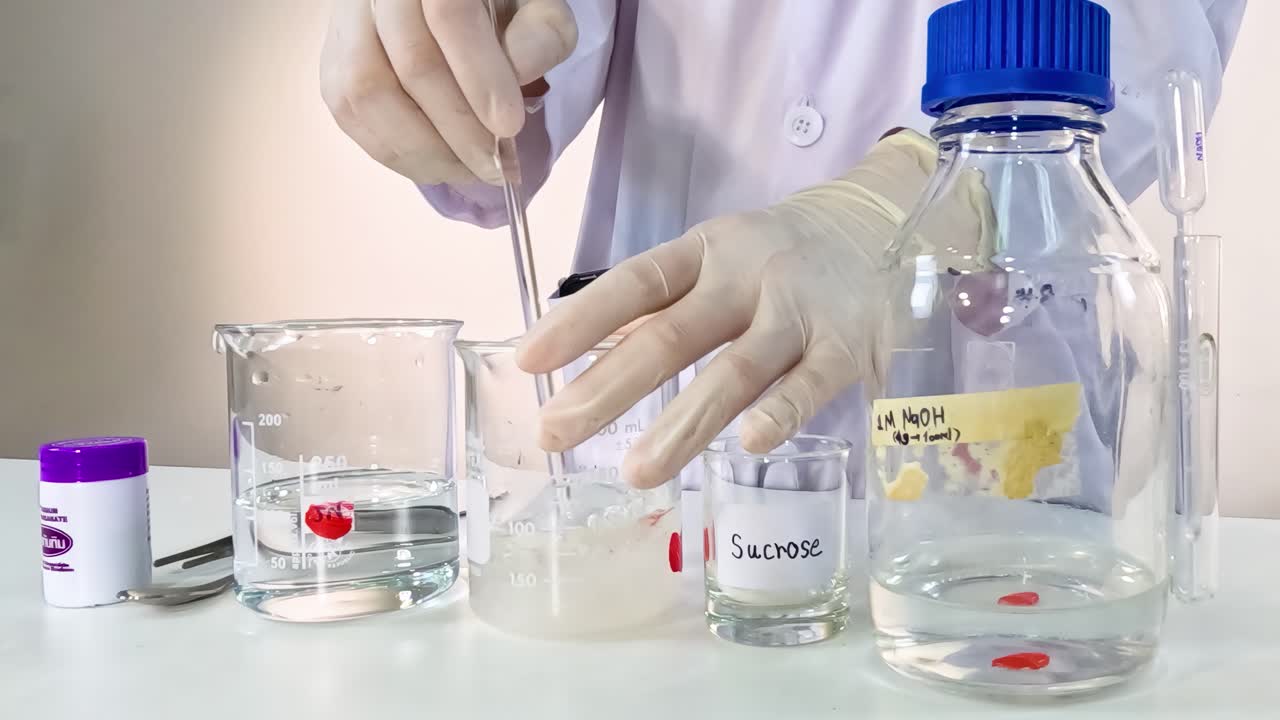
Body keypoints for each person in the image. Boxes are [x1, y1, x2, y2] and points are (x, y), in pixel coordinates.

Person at [320, 0, 1245, 492]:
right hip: (655, 505)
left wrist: (901, 200)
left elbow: (1157, 35)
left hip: (975, 477)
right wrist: (446, 54)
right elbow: (519, 84)